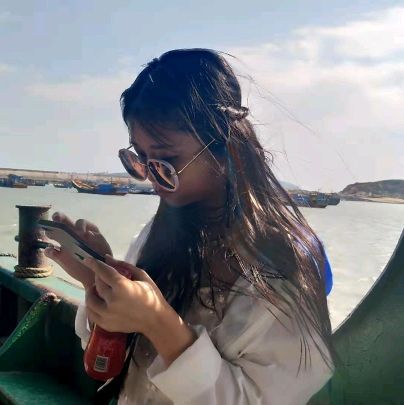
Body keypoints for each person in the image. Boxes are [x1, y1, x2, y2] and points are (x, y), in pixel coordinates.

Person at [45, 48, 335, 405]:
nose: (151, 177)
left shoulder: (283, 264)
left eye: (166, 161)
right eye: (141, 159)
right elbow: (109, 364)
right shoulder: (159, 232)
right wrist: (101, 283)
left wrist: (160, 323)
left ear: (224, 147)